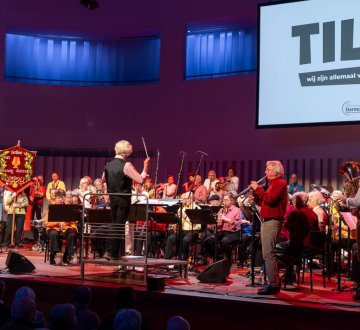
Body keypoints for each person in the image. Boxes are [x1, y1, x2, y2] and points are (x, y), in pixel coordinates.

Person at [103, 140, 150, 260]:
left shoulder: (108, 164)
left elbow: (104, 178)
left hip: (113, 198)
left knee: (115, 224)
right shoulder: (126, 165)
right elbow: (140, 180)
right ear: (127, 151)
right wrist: (145, 166)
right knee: (119, 225)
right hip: (123, 198)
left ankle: (110, 251)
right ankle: (111, 253)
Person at [250, 160, 288, 295]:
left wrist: (258, 189)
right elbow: (265, 202)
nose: (265, 172)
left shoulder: (279, 183)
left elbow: (270, 199)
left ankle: (273, 284)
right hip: (267, 221)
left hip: (272, 221)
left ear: (275, 171)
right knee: (267, 253)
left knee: (268, 254)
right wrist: (255, 194)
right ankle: (273, 283)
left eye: (267, 169)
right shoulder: (273, 184)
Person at [44, 189, 78, 265]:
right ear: (55, 198)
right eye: (59, 198)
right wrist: (58, 222)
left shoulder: (67, 207)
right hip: (53, 228)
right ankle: (52, 256)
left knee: (72, 234)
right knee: (54, 234)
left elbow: (73, 220)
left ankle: (66, 255)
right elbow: (47, 223)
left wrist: (66, 221)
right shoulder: (52, 207)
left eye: (62, 197)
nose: (60, 199)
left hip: (65, 228)